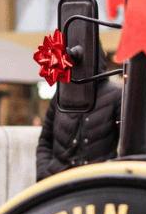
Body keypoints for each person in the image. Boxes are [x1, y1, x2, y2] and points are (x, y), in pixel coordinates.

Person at [36, 46, 121, 181]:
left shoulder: (116, 95)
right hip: (58, 184)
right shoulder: (61, 94)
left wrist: (111, 178)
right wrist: (44, 174)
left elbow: (128, 147)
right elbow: (45, 141)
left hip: (97, 186)